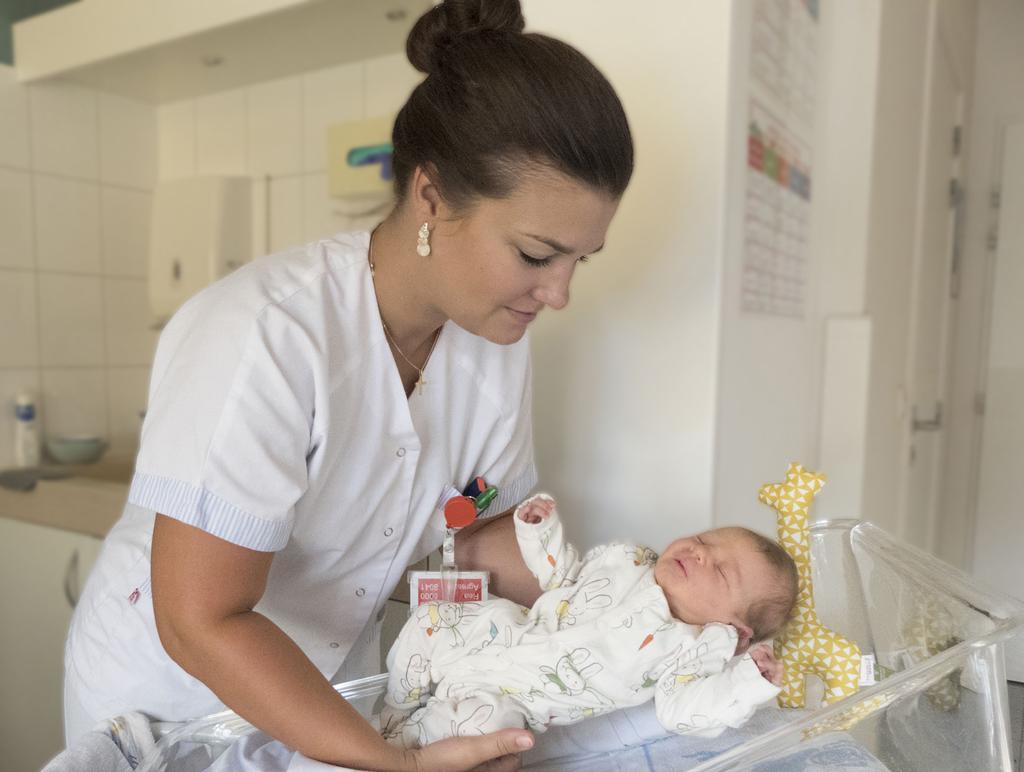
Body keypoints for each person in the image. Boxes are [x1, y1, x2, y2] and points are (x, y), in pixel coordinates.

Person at [61, 1, 633, 769]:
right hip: (170, 708)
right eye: (537, 255)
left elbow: (478, 526)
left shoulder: (494, 343)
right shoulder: (266, 334)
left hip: (327, 695)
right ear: (431, 197)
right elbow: (203, 620)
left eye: (579, 261)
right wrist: (392, 763)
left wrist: (630, 598)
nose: (558, 293)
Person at [381, 494, 798, 748]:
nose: (700, 552)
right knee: (433, 619)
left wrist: (745, 683)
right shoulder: (632, 561)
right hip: (507, 632)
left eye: (722, 572)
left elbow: (683, 713)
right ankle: (394, 709)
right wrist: (539, 533)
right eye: (704, 539)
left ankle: (403, 745)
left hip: (518, 700)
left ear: (736, 633)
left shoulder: (693, 649)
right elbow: (563, 579)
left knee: (484, 732)